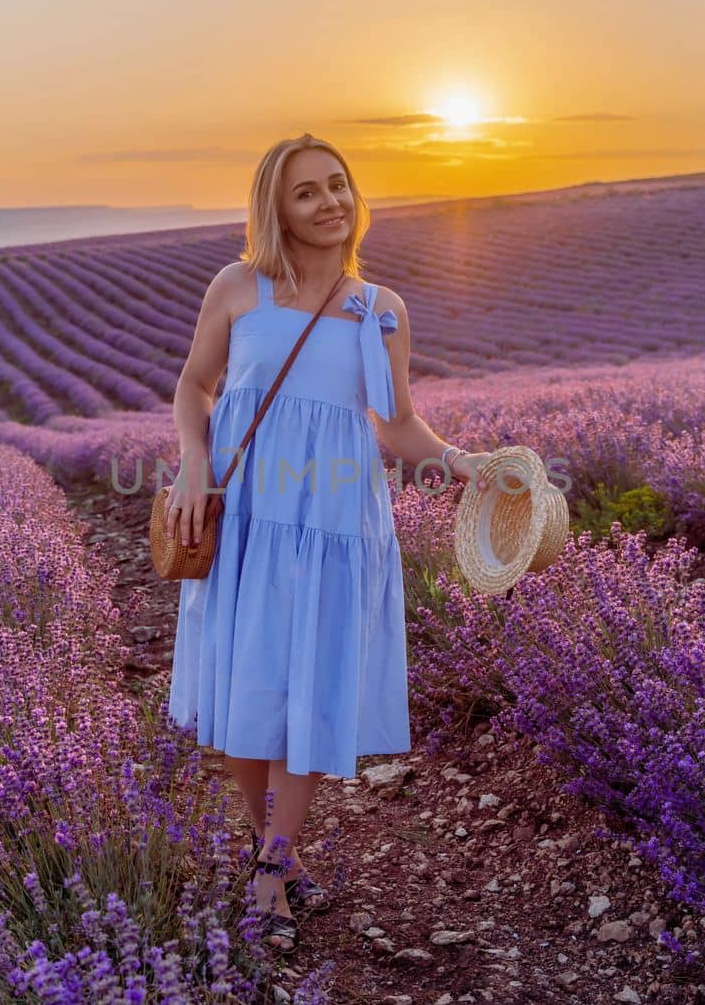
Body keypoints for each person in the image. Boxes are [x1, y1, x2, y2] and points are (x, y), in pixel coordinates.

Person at [164, 132, 493, 954]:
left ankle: (272, 864)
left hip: (336, 522)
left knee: (308, 684)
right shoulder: (239, 287)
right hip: (245, 513)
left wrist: (461, 462)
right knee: (247, 687)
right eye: (306, 191)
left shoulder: (378, 308)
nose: (328, 203)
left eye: (338, 185)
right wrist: (194, 464)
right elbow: (192, 386)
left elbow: (398, 422)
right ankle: (271, 846)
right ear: (275, 205)